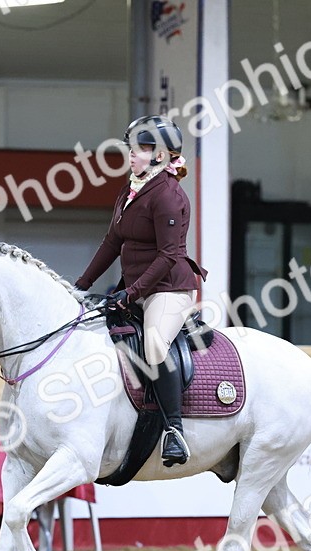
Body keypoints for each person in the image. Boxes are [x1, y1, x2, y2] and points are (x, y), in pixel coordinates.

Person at [74, 115, 208, 467]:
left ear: (161, 156)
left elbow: (169, 256)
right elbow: (112, 242)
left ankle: (173, 430)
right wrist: (79, 286)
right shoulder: (131, 189)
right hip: (137, 289)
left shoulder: (168, 195)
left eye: (141, 150)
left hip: (170, 289)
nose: (131, 156)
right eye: (132, 148)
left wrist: (130, 293)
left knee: (153, 343)